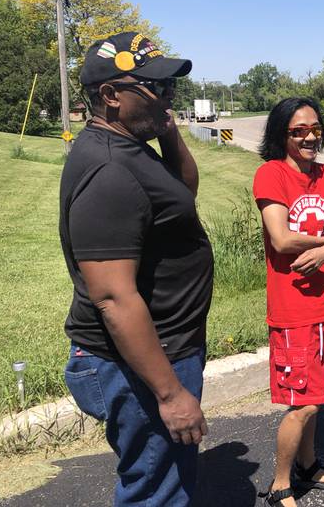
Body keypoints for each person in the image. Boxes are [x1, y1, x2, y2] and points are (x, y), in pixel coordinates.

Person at [60, 32, 213, 506]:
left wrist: (166, 125)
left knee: (165, 477)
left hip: (163, 350)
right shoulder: (109, 171)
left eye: (171, 87)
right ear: (110, 96)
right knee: (155, 490)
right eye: (157, 88)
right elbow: (112, 297)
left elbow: (183, 193)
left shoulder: (128, 144)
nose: (170, 97)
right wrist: (169, 395)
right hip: (143, 364)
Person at [252, 97, 324, 507]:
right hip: (293, 311)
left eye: (315, 128)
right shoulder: (271, 174)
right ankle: (280, 484)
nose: (309, 137)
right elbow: (281, 238)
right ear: (282, 134)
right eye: (298, 131)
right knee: (301, 405)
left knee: (317, 399)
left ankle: (309, 465)